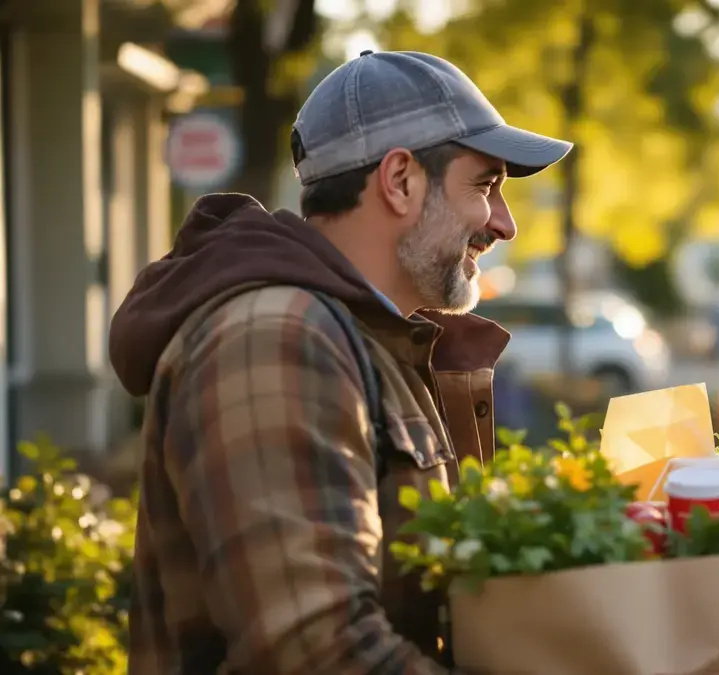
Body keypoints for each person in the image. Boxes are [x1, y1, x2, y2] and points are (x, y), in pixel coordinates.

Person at [108, 51, 571, 674]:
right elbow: (316, 652)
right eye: (486, 186)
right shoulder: (274, 339)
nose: (505, 224)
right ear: (400, 179)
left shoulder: (366, 339)